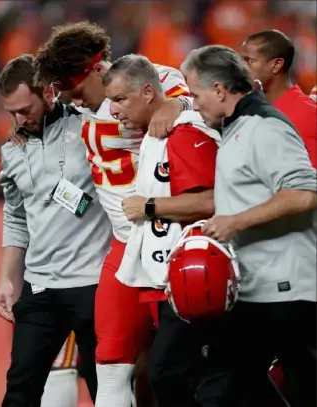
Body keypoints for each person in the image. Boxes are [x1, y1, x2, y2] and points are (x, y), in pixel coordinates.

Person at [32, 21, 193, 407]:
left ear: (98, 70)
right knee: (110, 364)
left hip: (172, 237)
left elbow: (198, 104)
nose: (74, 101)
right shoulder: (75, 107)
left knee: (178, 367)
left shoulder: (148, 82)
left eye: (75, 90)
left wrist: (179, 104)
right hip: (123, 246)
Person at [182, 45, 317, 407]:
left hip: (287, 291)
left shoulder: (264, 126)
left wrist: (234, 222)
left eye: (196, 95)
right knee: (223, 387)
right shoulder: (237, 127)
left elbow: (304, 193)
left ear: (219, 90)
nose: (194, 104)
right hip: (256, 289)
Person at [103, 53, 233, 407]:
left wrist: (148, 207)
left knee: (171, 373)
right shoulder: (155, 135)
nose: (113, 111)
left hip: (196, 284)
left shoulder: (183, 133)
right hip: (170, 282)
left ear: (148, 92)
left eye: (119, 99)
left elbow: (214, 201)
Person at [0, 53, 112, 407]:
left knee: (103, 387)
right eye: (11, 112)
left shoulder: (89, 125)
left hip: (92, 283)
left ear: (48, 92)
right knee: (20, 387)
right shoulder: (11, 152)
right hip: (41, 285)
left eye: (25, 109)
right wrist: (6, 280)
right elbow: (16, 218)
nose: (18, 119)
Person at [241, 29, 317, 167]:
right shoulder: (245, 111)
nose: (240, 68)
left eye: (249, 61)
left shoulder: (308, 115)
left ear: (276, 65)